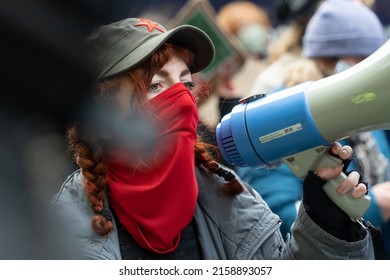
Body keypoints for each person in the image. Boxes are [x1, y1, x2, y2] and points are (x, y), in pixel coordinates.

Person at [52, 17, 373, 260]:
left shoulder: (232, 201)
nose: (180, 98)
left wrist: (324, 225)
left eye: (186, 84)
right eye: (155, 86)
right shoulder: (56, 234)